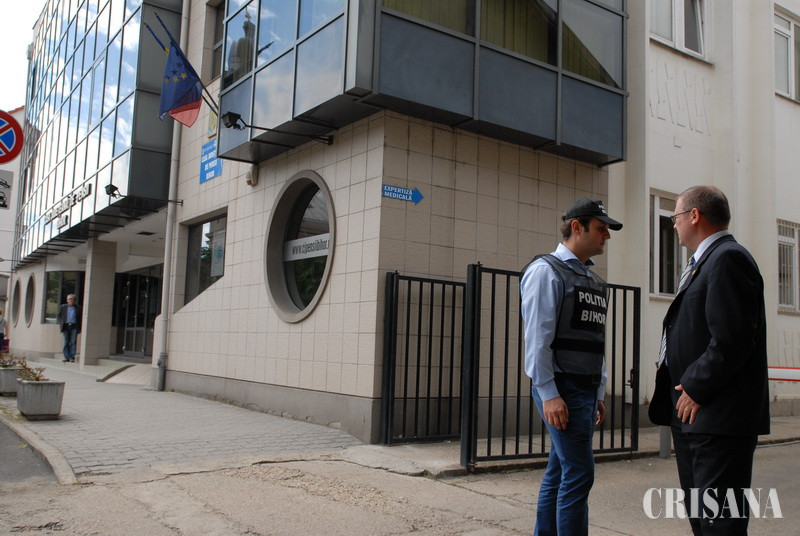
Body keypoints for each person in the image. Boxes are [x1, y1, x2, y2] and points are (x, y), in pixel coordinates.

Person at [650, 186, 769, 535]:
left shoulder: (728, 258)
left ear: (694, 216)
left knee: (720, 524)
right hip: (696, 418)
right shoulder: (705, 262)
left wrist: (695, 387)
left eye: (675, 216)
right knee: (703, 522)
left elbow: (732, 339)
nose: (673, 224)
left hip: (718, 418)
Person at [520, 198, 623, 535]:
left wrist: (599, 391)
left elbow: (595, 340)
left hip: (584, 390)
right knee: (579, 473)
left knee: (561, 472)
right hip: (562, 388)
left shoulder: (590, 279)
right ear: (577, 227)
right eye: (601, 228)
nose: (607, 235)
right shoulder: (545, 272)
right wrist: (548, 394)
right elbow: (538, 340)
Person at [56, 294, 82, 363]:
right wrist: (60, 322)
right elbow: (58, 316)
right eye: (70, 299)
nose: (71, 300)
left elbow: (80, 318)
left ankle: (72, 357)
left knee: (73, 342)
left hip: (74, 326)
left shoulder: (78, 308)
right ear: (67, 300)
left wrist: (80, 328)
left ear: (75, 300)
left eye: (73, 299)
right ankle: (66, 357)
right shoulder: (63, 307)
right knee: (66, 342)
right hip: (66, 326)